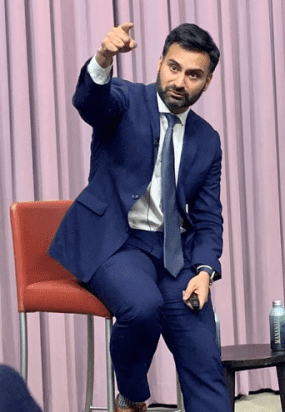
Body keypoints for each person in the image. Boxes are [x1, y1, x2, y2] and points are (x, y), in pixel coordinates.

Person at [49, 22, 229, 411]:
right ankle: (131, 397)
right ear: (160, 62)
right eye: (174, 67)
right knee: (143, 306)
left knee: (204, 360)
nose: (180, 81)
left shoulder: (207, 138)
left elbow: (209, 216)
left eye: (193, 74)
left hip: (174, 255)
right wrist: (103, 58)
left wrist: (205, 271)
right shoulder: (125, 100)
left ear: (207, 82)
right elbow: (89, 102)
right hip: (116, 242)